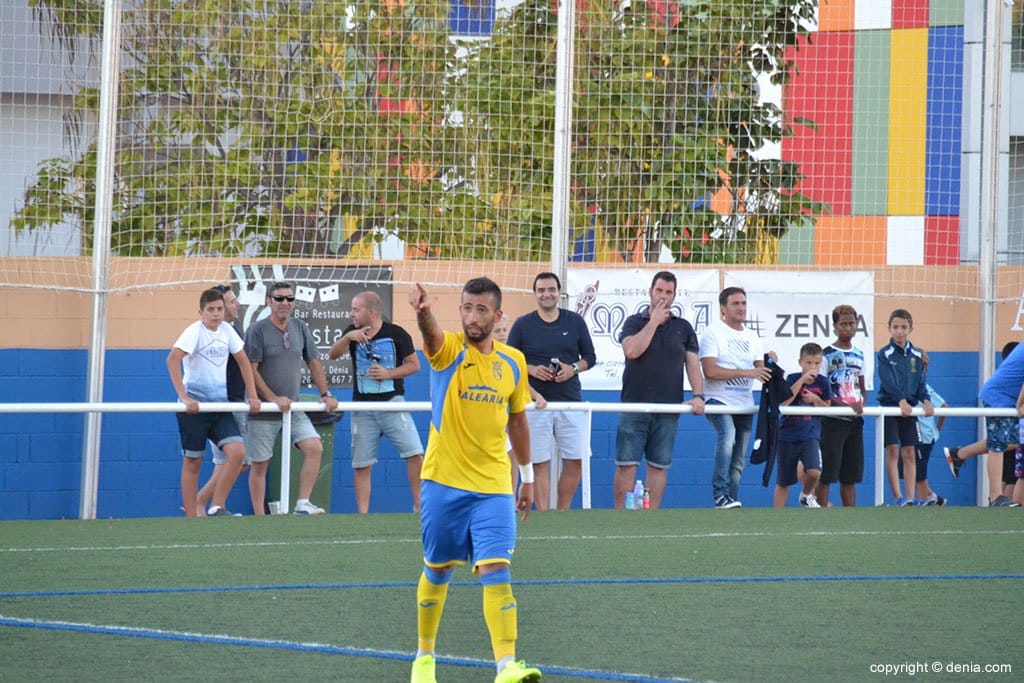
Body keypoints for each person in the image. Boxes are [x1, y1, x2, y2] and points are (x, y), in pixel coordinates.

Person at [407, 278, 541, 683]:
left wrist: (528, 476)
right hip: (443, 482)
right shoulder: (449, 352)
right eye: (467, 308)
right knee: (438, 569)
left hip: (494, 487)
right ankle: (425, 658)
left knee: (496, 566)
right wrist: (423, 312)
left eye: (481, 309)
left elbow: (517, 420)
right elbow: (430, 338)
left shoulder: (513, 362)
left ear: (498, 316)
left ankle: (506, 667)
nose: (472, 317)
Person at [245, 281, 339, 515]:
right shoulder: (257, 330)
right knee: (260, 464)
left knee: (315, 447)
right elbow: (251, 370)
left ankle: (302, 504)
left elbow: (314, 362)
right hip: (264, 411)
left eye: (289, 298)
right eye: (279, 298)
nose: (285, 303)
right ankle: (259, 517)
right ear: (269, 301)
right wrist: (272, 398)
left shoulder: (300, 327)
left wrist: (325, 394)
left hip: (293, 408)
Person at [613, 271, 705, 510]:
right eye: (659, 291)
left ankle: (650, 518)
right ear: (650, 292)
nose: (663, 296)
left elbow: (693, 364)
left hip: (668, 408)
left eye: (668, 292)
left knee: (659, 464)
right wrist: (653, 322)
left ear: (674, 295)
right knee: (627, 464)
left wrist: (698, 395)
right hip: (634, 405)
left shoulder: (683, 328)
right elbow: (632, 351)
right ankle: (621, 518)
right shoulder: (634, 322)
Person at [166, 287, 262, 517]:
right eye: (210, 310)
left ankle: (217, 506)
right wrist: (184, 396)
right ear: (201, 311)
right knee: (193, 461)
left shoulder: (228, 330)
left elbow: (243, 361)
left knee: (238, 452)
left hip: (220, 406)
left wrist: (252, 394)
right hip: (195, 409)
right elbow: (172, 360)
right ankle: (191, 515)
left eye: (220, 309)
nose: (216, 314)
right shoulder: (193, 332)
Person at [328, 291, 424, 514]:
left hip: (393, 403)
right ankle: (363, 515)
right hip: (362, 408)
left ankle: (420, 505)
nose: (351, 313)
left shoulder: (397, 334)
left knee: (415, 453)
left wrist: (388, 373)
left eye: (356, 309)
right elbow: (333, 355)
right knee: (362, 464)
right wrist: (347, 338)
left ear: (371, 312)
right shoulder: (350, 332)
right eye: (351, 309)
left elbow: (414, 365)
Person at [508, 272, 597, 510]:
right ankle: (545, 514)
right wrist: (531, 370)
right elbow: (508, 361)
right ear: (535, 293)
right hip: (535, 405)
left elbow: (590, 357)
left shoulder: (575, 322)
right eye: (541, 290)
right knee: (538, 462)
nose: (546, 294)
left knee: (575, 460)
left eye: (551, 289)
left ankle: (562, 512)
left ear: (559, 292)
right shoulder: (522, 324)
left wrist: (573, 369)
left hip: (570, 402)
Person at [699, 286, 772, 509]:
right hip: (718, 399)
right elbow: (710, 371)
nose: (741, 308)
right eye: (735, 303)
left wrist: (770, 362)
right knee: (727, 434)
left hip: (744, 403)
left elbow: (762, 371)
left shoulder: (752, 336)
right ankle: (720, 494)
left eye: (743, 303)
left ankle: (730, 500)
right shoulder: (712, 333)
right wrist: (747, 372)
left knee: (739, 459)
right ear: (723, 308)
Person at [944, 340, 1024, 507]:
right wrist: (1021, 404)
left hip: (1008, 396)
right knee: (998, 443)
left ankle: (959, 453)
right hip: (999, 396)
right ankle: (995, 497)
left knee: (1013, 442)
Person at [196, 284, 250, 516]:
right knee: (237, 458)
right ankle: (204, 503)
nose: (235, 305)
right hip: (225, 405)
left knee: (231, 461)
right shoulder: (206, 333)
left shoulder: (230, 332)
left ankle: (203, 504)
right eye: (230, 302)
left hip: (236, 402)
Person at [876, 308, 933, 506]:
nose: (899, 331)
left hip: (909, 410)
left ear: (911, 329)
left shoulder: (917, 354)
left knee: (909, 452)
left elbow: (920, 382)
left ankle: (910, 497)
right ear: (889, 328)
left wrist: (925, 399)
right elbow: (887, 380)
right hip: (891, 408)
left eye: (904, 327)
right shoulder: (884, 354)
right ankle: (898, 497)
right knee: (892, 450)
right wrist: (900, 399)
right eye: (895, 327)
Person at [816, 304, 867, 508]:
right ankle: (821, 510)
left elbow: (862, 387)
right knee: (827, 473)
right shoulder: (826, 354)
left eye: (851, 323)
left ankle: (849, 515)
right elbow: (822, 389)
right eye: (843, 324)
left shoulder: (860, 354)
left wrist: (861, 401)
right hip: (832, 422)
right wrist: (845, 405)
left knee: (850, 475)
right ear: (835, 326)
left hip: (854, 422)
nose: (848, 328)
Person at [774, 343, 831, 508]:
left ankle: (806, 495)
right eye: (808, 363)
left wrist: (815, 399)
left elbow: (827, 408)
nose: (813, 367)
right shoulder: (792, 378)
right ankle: (776, 516)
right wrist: (801, 381)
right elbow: (784, 401)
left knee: (814, 472)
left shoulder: (823, 382)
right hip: (788, 435)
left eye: (817, 363)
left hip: (810, 435)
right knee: (784, 480)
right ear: (800, 362)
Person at [495, 317, 547, 491]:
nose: (502, 334)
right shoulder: (481, 355)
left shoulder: (512, 356)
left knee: (512, 457)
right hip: (487, 420)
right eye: (497, 331)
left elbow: (520, 383)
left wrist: (536, 395)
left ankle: (509, 499)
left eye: (504, 330)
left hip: (503, 420)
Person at [899, 351, 947, 506]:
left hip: (924, 435)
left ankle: (925, 500)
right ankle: (932, 496)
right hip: (913, 434)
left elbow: (944, 406)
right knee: (906, 470)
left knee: (918, 472)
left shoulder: (924, 388)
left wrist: (937, 427)